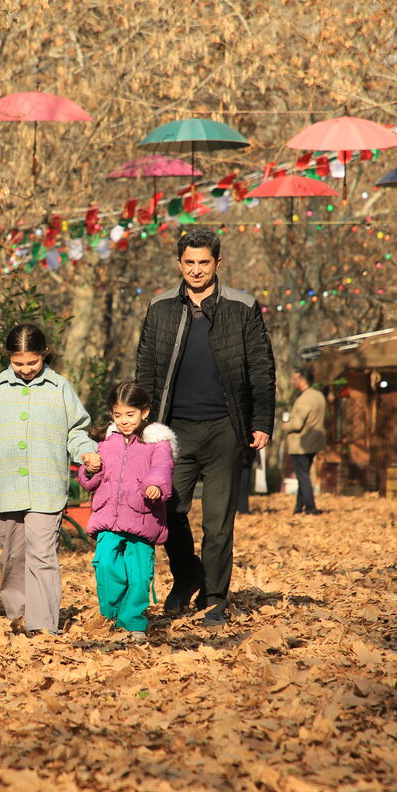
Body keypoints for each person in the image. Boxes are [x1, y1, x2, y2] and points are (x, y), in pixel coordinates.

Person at [134, 227, 275, 627]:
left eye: (204, 262)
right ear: (179, 263)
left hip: (226, 430)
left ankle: (215, 597)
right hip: (173, 431)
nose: (196, 270)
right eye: (189, 263)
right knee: (169, 512)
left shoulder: (242, 306)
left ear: (217, 263)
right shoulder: (161, 306)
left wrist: (261, 420)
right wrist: (142, 422)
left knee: (218, 522)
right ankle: (187, 575)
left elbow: (262, 368)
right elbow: (145, 366)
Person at [0, 324, 99, 637]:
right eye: (18, 363)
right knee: (12, 557)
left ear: (44, 354)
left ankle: (43, 626)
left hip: (47, 487)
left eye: (32, 363)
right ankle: (19, 615)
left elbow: (77, 429)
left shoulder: (59, 388)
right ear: (9, 359)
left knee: (43, 555)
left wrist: (85, 452)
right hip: (6, 489)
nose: (25, 370)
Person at [77, 382, 177, 640]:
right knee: (106, 565)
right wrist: (91, 467)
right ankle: (113, 612)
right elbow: (90, 481)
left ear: (144, 412)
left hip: (143, 516)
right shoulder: (103, 442)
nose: (123, 421)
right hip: (107, 517)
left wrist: (155, 485)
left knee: (139, 573)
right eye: (117, 415)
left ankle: (133, 622)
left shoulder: (157, 442)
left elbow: (162, 468)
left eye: (130, 414)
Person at [282, 367, 326, 515]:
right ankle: (298, 507)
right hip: (314, 443)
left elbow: (296, 424)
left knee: (303, 476)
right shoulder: (318, 396)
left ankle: (310, 507)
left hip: (300, 444)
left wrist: (284, 425)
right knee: (304, 475)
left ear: (301, 380)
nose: (293, 382)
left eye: (295, 379)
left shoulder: (303, 399)